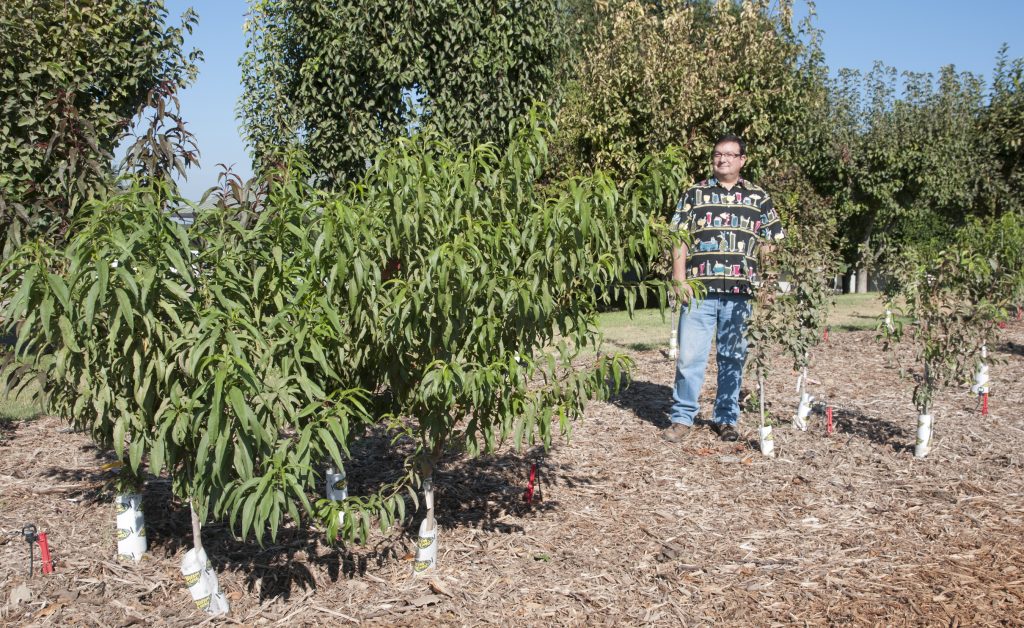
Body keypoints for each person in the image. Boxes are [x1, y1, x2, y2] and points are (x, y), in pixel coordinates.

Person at [663, 134, 783, 443]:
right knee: (690, 357)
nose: (723, 159)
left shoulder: (758, 197)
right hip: (699, 291)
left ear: (743, 160)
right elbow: (679, 237)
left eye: (730, 154)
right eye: (718, 154)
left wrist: (768, 283)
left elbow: (770, 243)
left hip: (741, 293)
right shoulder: (695, 193)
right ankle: (682, 418)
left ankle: (727, 418)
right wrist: (679, 278)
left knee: (733, 356)